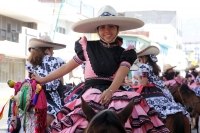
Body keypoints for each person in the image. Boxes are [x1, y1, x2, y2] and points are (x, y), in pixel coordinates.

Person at [32, 5, 169, 133]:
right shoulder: (86, 47)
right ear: (97, 29)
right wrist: (42, 79)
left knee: (134, 119)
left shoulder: (126, 52)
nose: (107, 31)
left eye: (111, 26)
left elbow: (120, 75)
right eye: (102, 27)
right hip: (90, 91)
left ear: (117, 28)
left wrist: (110, 91)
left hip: (115, 91)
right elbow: (67, 67)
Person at [133, 45, 190, 121]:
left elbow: (143, 83)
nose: (140, 60)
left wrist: (137, 77)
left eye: (140, 58)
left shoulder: (144, 67)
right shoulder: (154, 66)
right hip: (160, 89)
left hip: (148, 90)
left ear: (144, 57)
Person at [25, 35, 67, 126]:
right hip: (50, 100)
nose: (53, 52)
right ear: (47, 50)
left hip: (33, 99)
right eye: (52, 50)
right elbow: (59, 83)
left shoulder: (30, 63)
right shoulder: (56, 61)